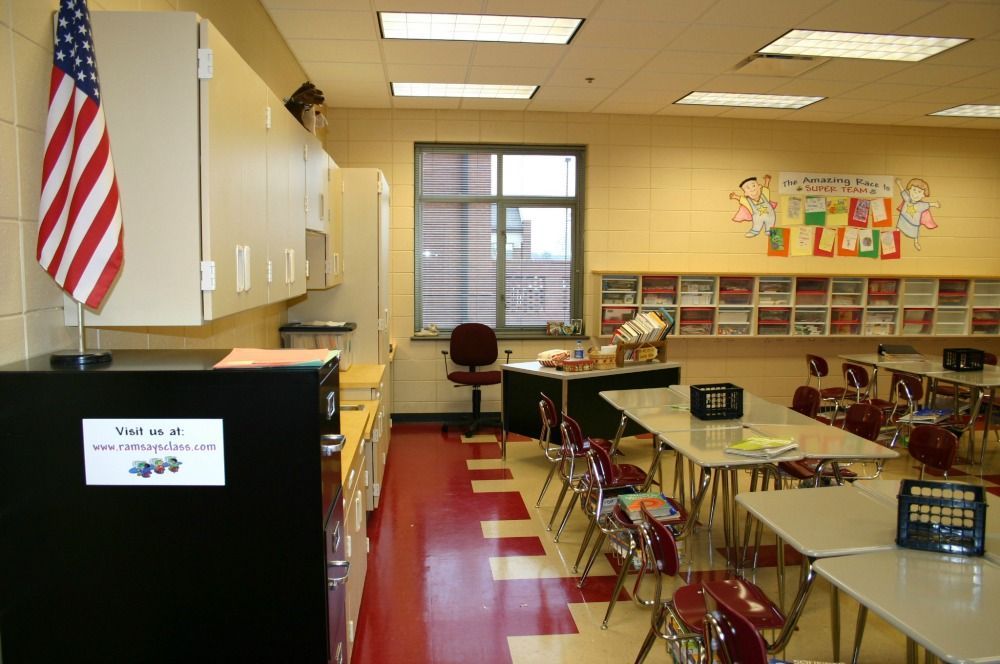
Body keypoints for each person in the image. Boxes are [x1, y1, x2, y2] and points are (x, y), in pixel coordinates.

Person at [895, 177, 939, 250]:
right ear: (909, 190)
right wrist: (899, 184)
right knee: (898, 228)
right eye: (914, 190)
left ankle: (916, 242)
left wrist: (935, 204)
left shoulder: (920, 205)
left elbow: (928, 204)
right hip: (903, 220)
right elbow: (903, 192)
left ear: (923, 195)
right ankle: (896, 235)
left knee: (915, 234)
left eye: (919, 192)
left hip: (913, 224)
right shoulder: (907, 199)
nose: (915, 193)